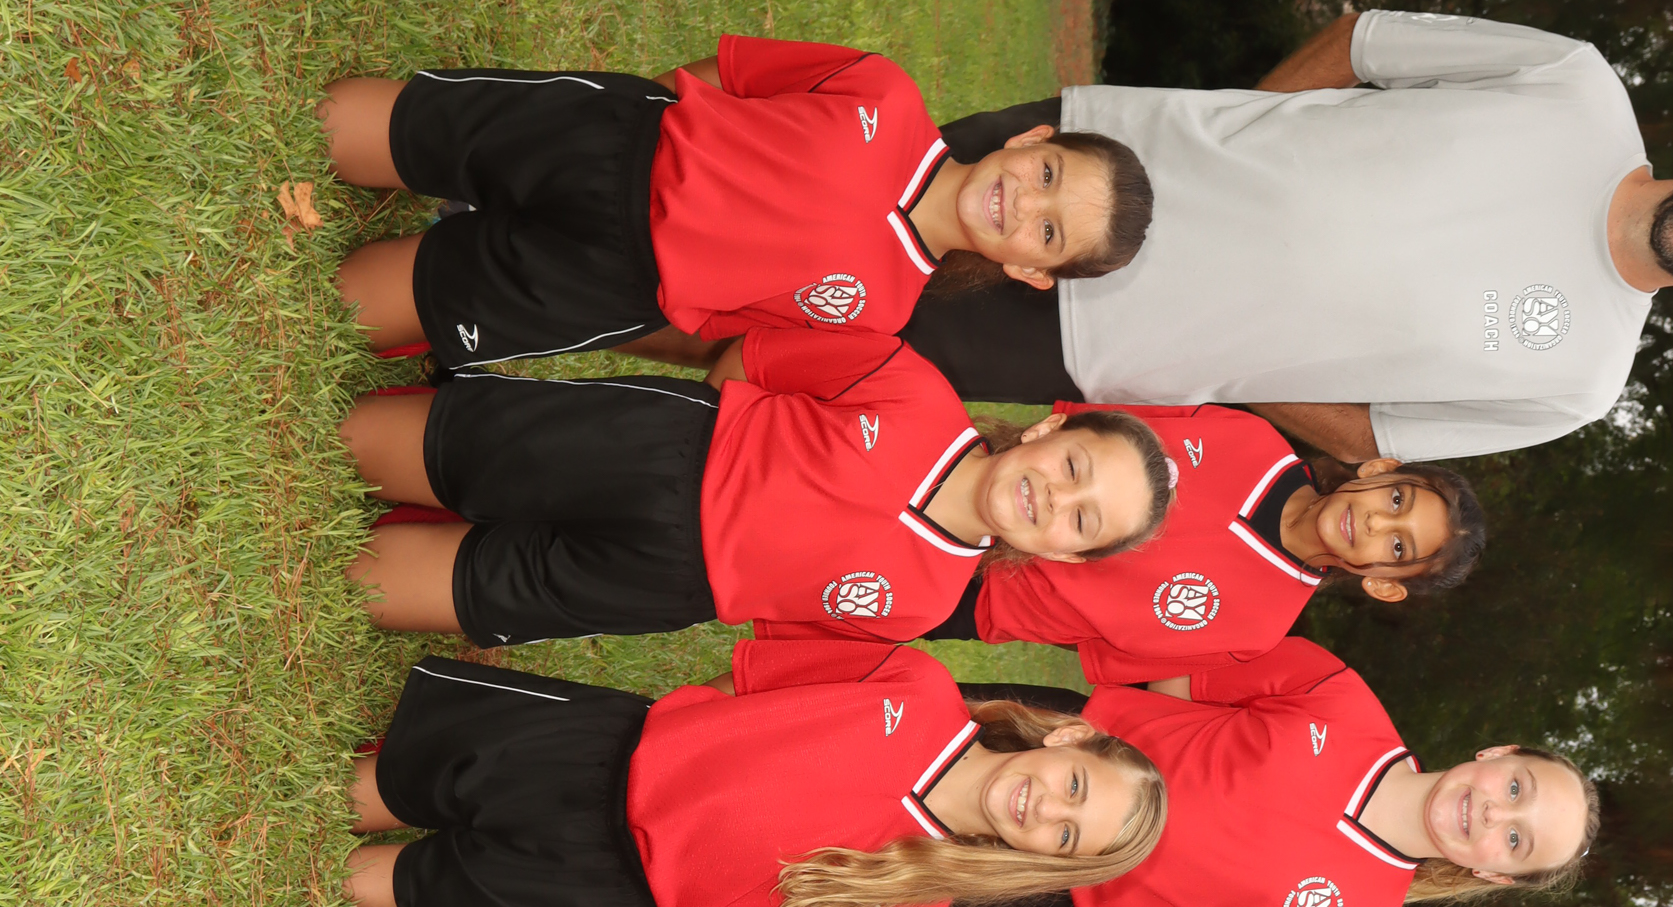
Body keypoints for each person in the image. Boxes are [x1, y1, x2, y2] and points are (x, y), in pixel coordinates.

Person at [898, 15, 1673, 464]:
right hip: (1100, 158)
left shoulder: (1582, 383)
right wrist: (1235, 129)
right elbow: (1366, 44)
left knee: (871, 343)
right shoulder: (1578, 82)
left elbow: (1375, 436)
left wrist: (1231, 359)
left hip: (1106, 335)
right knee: (869, 197)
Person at [315, 45, 1153, 374]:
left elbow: (731, 337)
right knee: (337, 125)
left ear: (1029, 271)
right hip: (607, 144)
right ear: (1032, 137)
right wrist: (633, 120)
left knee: (344, 307)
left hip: (602, 281)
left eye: (1048, 232)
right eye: (1048, 172)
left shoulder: (881, 316)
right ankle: (458, 183)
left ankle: (461, 250)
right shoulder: (886, 93)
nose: (1024, 202)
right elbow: (734, 75)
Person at [343, 639, 1167, 907]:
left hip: (608, 883)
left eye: (1066, 837)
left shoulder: (915, 901)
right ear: (1068, 739)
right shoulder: (917, 685)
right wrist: (684, 739)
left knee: (360, 886)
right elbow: (751, 678)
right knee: (367, 788)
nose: (1046, 811)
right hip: (600, 753)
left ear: (1044, 865)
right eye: (1075, 788)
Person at [336, 333, 1171, 648]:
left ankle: (441, 528)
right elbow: (753, 362)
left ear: (1065, 557)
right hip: (654, 447)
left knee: (360, 586)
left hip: (662, 580)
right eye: (1074, 468)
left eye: (1082, 523)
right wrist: (695, 440)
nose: (1055, 500)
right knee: (356, 443)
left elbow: (779, 622)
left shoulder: (920, 606)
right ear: (1045, 431)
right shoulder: (914, 389)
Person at [870, 640, 1597, 907]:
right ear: (1497, 753)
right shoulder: (1338, 693)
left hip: (1060, 900)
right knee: (867, 728)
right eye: (1517, 786)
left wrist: (1171, 897)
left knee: (866, 901)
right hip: (1060, 753)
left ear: (1492, 873)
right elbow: (1189, 663)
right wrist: (1126, 755)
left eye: (1515, 838)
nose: (1493, 811)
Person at [947, 403, 1484, 678]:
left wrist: (1035, 602)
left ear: (1385, 585)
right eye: (1397, 501)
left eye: (1398, 548)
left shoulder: (1257, 631)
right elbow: (1086, 435)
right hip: (984, 491)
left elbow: (1103, 650)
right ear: (1380, 470)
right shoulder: (1246, 437)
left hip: (978, 602)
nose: (1376, 524)